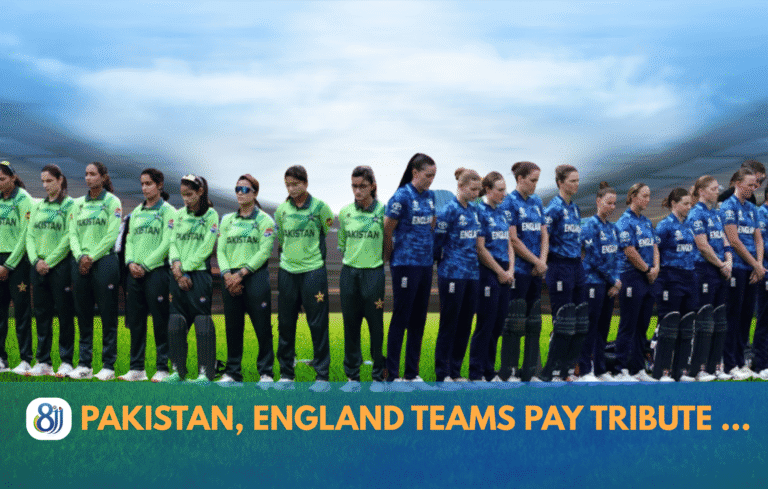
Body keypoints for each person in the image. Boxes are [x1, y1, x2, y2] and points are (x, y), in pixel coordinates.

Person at [275, 165, 334, 388]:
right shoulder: (281, 211)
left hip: (313, 272)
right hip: (287, 273)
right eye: (287, 184)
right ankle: (286, 374)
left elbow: (324, 233)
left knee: (318, 324)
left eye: (295, 184)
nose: (291, 188)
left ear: (306, 183)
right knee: (286, 324)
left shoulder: (320, 208)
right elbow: (282, 238)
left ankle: (321, 375)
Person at [217, 174, 275, 383]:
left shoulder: (265, 220)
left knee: (262, 326)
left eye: (245, 189)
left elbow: (264, 251)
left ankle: (266, 372)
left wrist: (241, 275)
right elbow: (221, 251)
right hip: (230, 276)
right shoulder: (227, 220)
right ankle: (233, 371)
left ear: (255, 193)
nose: (240, 193)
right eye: (237, 189)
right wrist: (227, 275)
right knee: (233, 326)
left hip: (254, 276)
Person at [384, 153, 437, 382]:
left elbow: (432, 225)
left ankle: (411, 373)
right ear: (415, 173)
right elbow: (387, 229)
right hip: (405, 264)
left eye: (434, 176)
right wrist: (390, 257)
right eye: (428, 175)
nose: (431, 180)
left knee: (419, 319)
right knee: (401, 317)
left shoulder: (432, 196)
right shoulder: (401, 197)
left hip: (425, 265)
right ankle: (392, 374)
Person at [67, 162, 122, 380]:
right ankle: (84, 365)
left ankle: (108, 364)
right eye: (86, 174)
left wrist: (92, 257)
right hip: (80, 262)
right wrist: (81, 256)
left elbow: (112, 234)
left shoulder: (112, 201)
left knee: (108, 315)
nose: (88, 178)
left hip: (104, 262)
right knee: (83, 314)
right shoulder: (78, 203)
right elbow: (72, 233)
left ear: (103, 177)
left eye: (93, 174)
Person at [119, 168, 175, 382]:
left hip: (157, 273)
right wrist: (131, 262)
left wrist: (145, 264)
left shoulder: (169, 211)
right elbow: (130, 240)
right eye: (142, 184)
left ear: (159, 185)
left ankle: (162, 368)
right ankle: (137, 368)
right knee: (136, 321)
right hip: (134, 273)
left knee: (161, 321)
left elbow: (167, 242)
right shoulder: (137, 212)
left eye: (148, 184)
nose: (144, 188)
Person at [164, 174, 219, 383]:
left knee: (201, 320)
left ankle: (206, 372)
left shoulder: (211, 215)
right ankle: (178, 370)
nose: (186, 199)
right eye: (183, 195)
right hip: (177, 274)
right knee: (176, 321)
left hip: (199, 275)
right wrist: (176, 267)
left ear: (200, 192)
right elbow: (173, 243)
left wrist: (185, 269)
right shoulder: (178, 215)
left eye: (190, 195)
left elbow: (206, 246)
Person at [498, 161, 548, 382]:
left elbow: (544, 233)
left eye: (537, 180)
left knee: (533, 322)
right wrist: (536, 261)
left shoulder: (537, 201)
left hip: (537, 271)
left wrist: (542, 262)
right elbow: (513, 239)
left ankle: (530, 371)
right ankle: (508, 371)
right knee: (514, 322)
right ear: (520, 179)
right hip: (519, 271)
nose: (536, 185)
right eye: (533, 180)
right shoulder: (508, 203)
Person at [338, 166, 386, 384]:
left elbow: (389, 242)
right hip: (349, 274)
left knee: (376, 325)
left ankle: (378, 375)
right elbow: (342, 244)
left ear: (372, 186)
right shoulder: (345, 212)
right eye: (354, 186)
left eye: (362, 186)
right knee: (351, 325)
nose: (357, 191)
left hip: (374, 274)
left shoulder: (383, 211)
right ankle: (352, 377)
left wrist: (377, 262)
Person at [26, 165, 75, 377]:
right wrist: (36, 260)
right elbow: (29, 235)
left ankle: (66, 361)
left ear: (60, 180)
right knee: (42, 314)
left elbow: (69, 235)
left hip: (60, 267)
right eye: (43, 181)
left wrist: (50, 261)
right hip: (38, 267)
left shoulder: (71, 204)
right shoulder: (37, 206)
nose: (46, 185)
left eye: (49, 181)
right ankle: (43, 361)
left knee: (64, 314)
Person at [433, 168, 482, 382]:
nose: (476, 194)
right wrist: (443, 265)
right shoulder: (448, 211)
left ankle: (455, 371)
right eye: (473, 189)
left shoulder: (474, 211)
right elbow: (437, 243)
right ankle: (442, 373)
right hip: (452, 274)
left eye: (479, 190)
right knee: (449, 324)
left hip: (472, 274)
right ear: (461, 187)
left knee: (465, 324)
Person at [541, 165, 586, 382]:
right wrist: (544, 263)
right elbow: (545, 238)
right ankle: (553, 369)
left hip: (576, 266)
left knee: (578, 319)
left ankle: (569, 367)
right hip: (559, 266)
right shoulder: (553, 209)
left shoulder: (575, 209)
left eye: (578, 181)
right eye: (572, 181)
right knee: (562, 320)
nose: (576, 185)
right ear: (560, 183)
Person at [468, 171, 514, 381]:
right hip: (488, 272)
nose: (504, 193)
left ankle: (489, 370)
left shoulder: (504, 212)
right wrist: (500, 272)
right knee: (485, 324)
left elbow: (509, 243)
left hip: (506, 271)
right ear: (488, 190)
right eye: (500, 190)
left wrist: (511, 270)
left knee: (498, 324)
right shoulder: (480, 213)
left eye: (505, 189)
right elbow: (480, 248)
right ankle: (476, 372)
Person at [687, 176, 733, 380]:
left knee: (719, 320)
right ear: (702, 191)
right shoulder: (696, 213)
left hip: (720, 271)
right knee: (704, 321)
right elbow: (703, 246)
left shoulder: (715, 214)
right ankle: (698, 368)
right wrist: (721, 264)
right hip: (705, 270)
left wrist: (729, 260)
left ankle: (714, 367)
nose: (717, 192)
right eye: (714, 189)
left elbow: (724, 240)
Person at [720, 167, 764, 379]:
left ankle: (740, 361)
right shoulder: (728, 207)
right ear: (738, 183)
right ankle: (729, 363)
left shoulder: (752, 209)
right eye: (750, 184)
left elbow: (758, 239)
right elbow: (734, 240)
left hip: (752, 268)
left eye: (755, 185)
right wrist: (756, 264)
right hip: (737, 267)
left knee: (747, 317)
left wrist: (758, 264)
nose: (753, 188)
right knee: (733, 316)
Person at [653, 188, 699, 381]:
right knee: (668, 324)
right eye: (685, 204)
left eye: (690, 204)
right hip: (670, 277)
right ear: (674, 204)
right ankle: (660, 369)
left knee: (687, 325)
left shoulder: (690, 225)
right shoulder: (665, 226)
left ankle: (679, 370)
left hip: (690, 277)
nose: (689, 207)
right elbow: (656, 249)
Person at [614, 183, 659, 382]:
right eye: (644, 196)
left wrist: (655, 268)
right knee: (628, 325)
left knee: (643, 325)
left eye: (649, 196)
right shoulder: (625, 222)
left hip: (649, 277)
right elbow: (629, 250)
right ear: (632, 196)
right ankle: (620, 368)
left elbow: (655, 245)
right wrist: (647, 269)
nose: (647, 200)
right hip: (632, 277)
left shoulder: (647, 222)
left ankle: (638, 368)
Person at [578, 182, 621, 382]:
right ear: (598, 202)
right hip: (593, 282)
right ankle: (586, 369)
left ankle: (600, 369)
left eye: (614, 204)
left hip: (610, 285)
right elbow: (593, 258)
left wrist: (617, 280)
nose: (611, 207)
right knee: (590, 327)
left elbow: (618, 255)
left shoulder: (612, 228)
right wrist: (613, 280)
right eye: (608, 203)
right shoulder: (590, 226)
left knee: (604, 327)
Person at [0, 161, 34, 375]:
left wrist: (8, 265)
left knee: (21, 311)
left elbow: (25, 235)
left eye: (2, 179)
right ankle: (1, 359)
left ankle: (25, 359)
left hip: (17, 261)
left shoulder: (24, 199)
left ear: (13, 177)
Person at [754, 186, 768, 378]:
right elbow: (763, 244)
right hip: (764, 272)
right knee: (764, 320)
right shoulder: (761, 214)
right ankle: (760, 363)